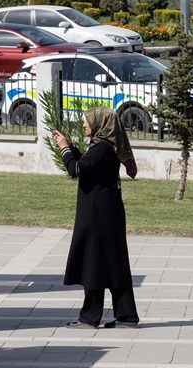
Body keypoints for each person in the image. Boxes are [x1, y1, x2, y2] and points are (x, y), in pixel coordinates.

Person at [53, 108, 140, 330]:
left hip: (97, 215)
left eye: (88, 121)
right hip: (105, 212)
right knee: (113, 263)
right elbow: (85, 162)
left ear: (101, 123)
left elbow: (77, 168)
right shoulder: (103, 147)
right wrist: (70, 146)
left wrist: (64, 149)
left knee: (94, 263)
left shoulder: (101, 148)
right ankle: (126, 316)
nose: (84, 125)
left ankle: (90, 317)